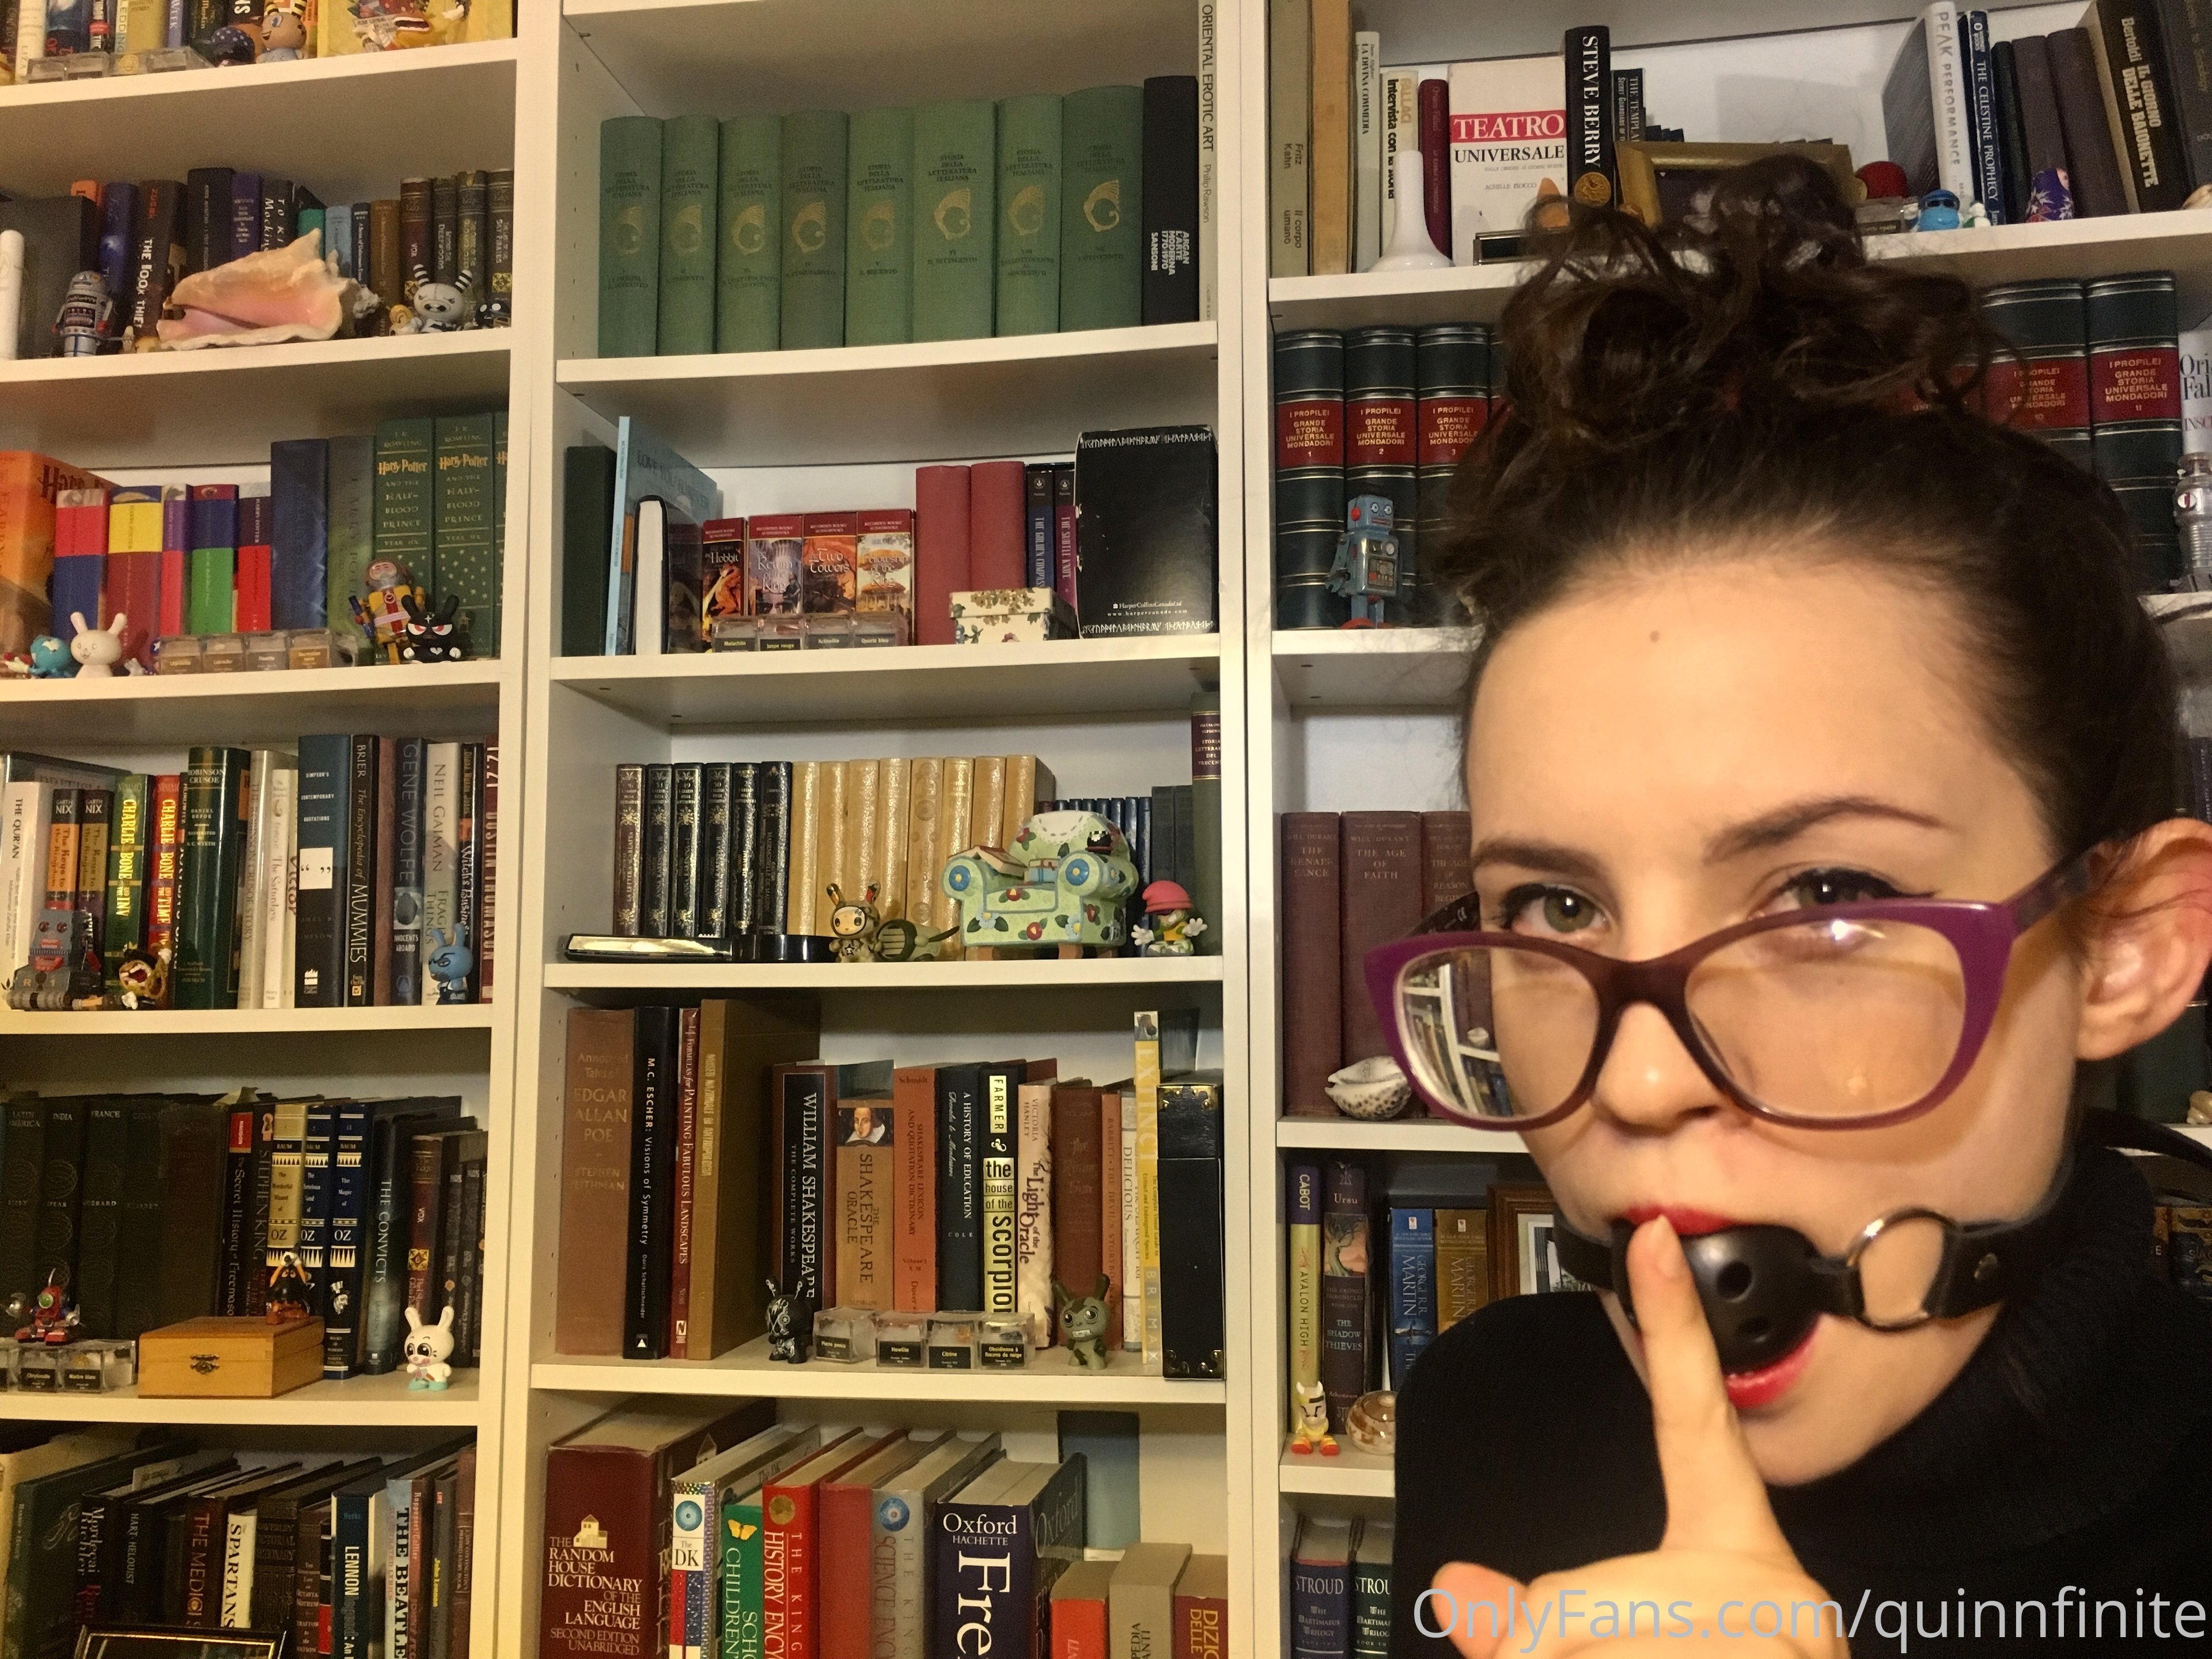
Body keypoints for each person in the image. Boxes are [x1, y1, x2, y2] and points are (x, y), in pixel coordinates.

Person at [1381, 157, 2212, 1657]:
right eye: (1557, 905)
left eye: (1829, 895)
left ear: (2127, 942)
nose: (1639, 1083)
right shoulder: (1492, 1420)